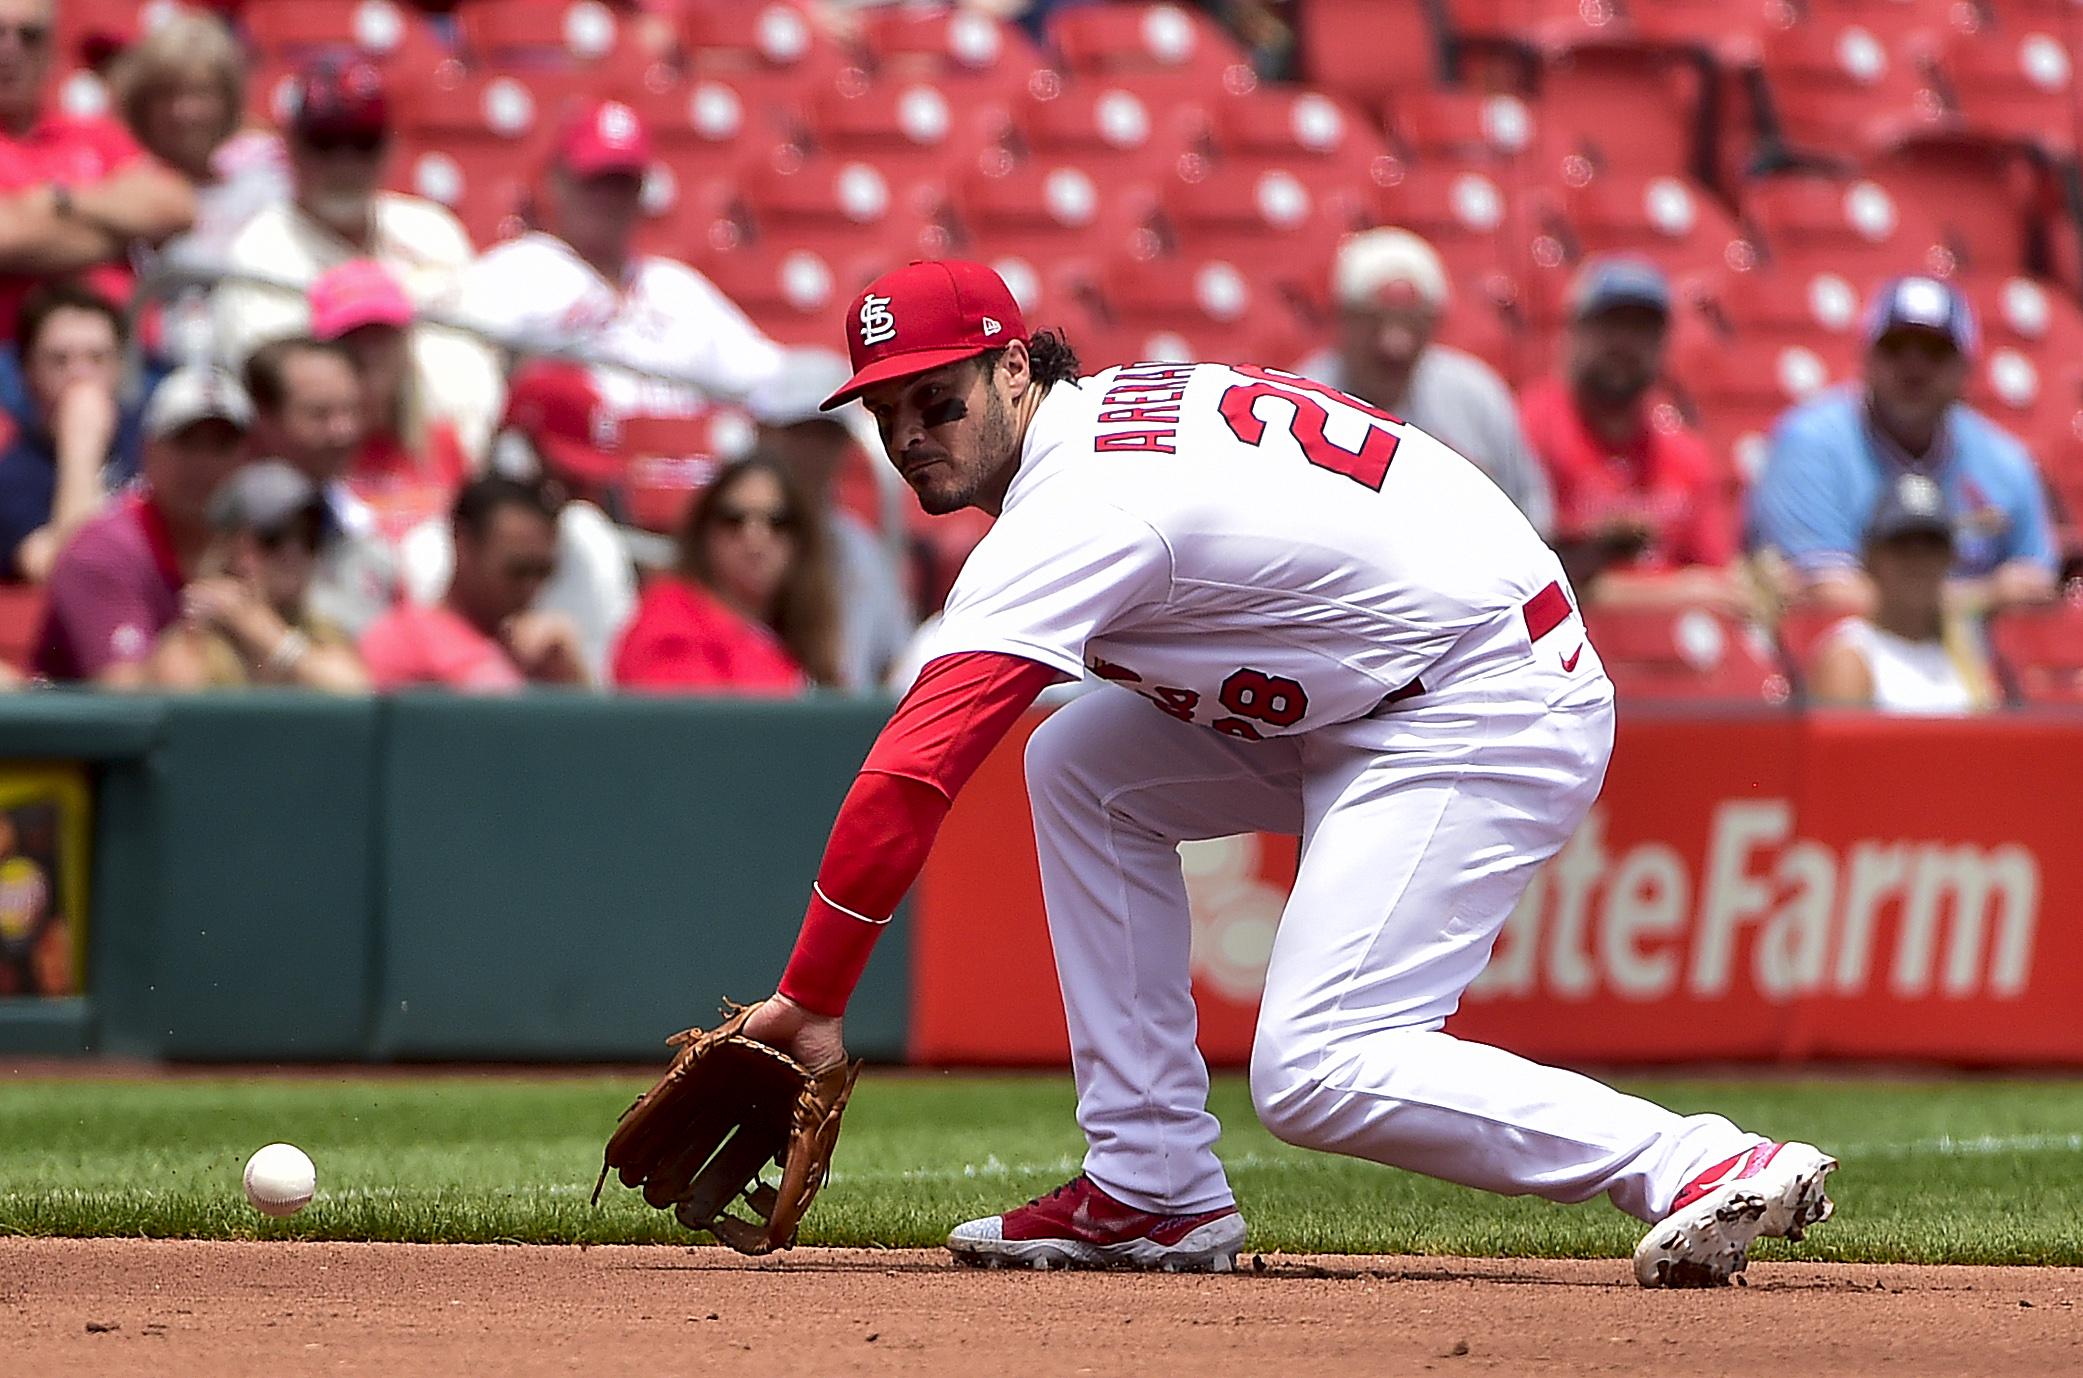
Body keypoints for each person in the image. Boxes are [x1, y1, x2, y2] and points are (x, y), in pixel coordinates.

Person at [722, 259, 1835, 1287]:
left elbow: (917, 769)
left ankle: (1694, 1161)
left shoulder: (1077, 505)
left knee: (1316, 1067)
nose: (911, 432)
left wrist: (814, 996)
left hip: (1477, 693)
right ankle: (1148, 1185)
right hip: (1387, 671)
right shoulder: (1106, 421)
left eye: (937, 399)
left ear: (1015, 367)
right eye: (886, 411)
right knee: (1080, 763)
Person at [209, 55, 501, 455]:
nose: (345, 163)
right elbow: (283, 400)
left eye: (363, 142)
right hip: (333, 472)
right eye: (326, 143)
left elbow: (486, 351)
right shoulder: (259, 252)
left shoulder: (433, 230)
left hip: (460, 464)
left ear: (390, 147)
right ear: (290, 146)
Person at [456, 98, 784, 418]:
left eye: (622, 183)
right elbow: (452, 364)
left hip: (680, 465)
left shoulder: (675, 287)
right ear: (557, 180)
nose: (608, 199)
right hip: (569, 465)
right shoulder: (519, 270)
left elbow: (774, 380)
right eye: (595, 181)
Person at [1750, 275, 2057, 617]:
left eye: (1935, 351)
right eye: (1896, 348)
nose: (1914, 368)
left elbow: (2035, 591)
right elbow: (1828, 599)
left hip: (1971, 665)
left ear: (1967, 368)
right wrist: (1983, 597)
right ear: (1866, 357)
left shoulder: (2006, 464)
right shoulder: (1810, 445)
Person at [1519, 256, 1748, 616]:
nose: (1625, 344)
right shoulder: (1531, 430)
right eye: (1611, 325)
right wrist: (1675, 594)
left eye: (1642, 329)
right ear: (1573, 332)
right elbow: (1533, 581)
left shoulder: (1682, 450)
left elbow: (1720, 582)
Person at [1296, 228, 1553, 534]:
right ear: (1344, 319)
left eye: (1413, 322)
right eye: (1374, 320)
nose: (1394, 343)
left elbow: (1529, 507)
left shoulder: (1475, 397)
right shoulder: (1305, 401)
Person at [32, 364, 249, 684]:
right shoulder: (101, 550)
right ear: (148, 449)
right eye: (186, 443)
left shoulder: (262, 538)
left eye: (221, 445)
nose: (204, 463)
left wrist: (256, 627)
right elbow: (127, 698)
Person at [0, 0, 196, 343]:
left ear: (50, 49)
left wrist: (55, 201)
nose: (9, 48)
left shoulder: (96, 133)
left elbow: (176, 206)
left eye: (29, 35)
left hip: (129, 354)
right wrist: (119, 235)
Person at [105, 7, 290, 364]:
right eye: (167, 95)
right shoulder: (126, 186)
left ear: (228, 101)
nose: (184, 111)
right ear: (143, 105)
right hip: (163, 364)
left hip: (266, 358)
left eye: (201, 92)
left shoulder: (266, 181)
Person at [747, 349, 914, 690]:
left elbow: (892, 660)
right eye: (799, 433)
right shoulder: (731, 534)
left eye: (826, 436)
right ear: (763, 434)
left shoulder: (861, 547)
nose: (812, 451)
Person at [613, 455, 837, 694]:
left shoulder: (805, 633)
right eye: (733, 519)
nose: (755, 537)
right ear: (705, 531)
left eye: (777, 522)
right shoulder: (670, 620)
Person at [147, 460, 367, 692]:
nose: (294, 552)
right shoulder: (194, 648)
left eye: (308, 537)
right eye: (273, 538)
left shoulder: (321, 634)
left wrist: (260, 630)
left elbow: (355, 694)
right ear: (229, 548)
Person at [358, 474, 587, 691]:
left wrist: (569, 675)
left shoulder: (541, 653)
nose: (531, 587)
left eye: (543, 572)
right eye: (518, 571)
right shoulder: (403, 642)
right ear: (464, 543)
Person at [242, 334, 404, 635]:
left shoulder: (366, 532)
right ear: (264, 419)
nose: (343, 431)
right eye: (319, 414)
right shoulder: (226, 528)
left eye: (351, 410)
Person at [309, 259, 471, 546]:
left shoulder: (442, 442)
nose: (370, 352)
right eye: (352, 337)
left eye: (382, 335)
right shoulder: (310, 452)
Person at [1807, 472, 1996, 714]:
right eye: (1901, 544)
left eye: (1932, 544)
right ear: (1870, 557)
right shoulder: (1852, 656)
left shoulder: (1964, 649)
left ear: (1951, 557)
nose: (1917, 559)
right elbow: (1839, 751)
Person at [0, 282, 141, 582]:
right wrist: (80, 450)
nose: (80, 374)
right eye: (59, 360)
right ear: (27, 372)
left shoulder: (156, 441)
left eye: (97, 357)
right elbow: (64, 574)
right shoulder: (12, 476)